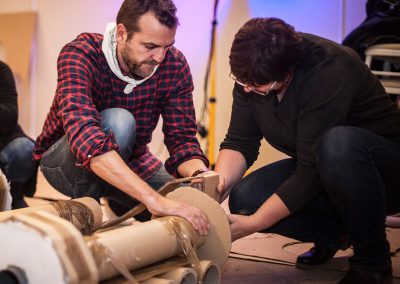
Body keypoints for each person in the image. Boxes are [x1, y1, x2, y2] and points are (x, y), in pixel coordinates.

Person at [215, 17, 400, 283]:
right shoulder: (252, 68)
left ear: (287, 73)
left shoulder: (329, 70)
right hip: (320, 168)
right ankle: (337, 234)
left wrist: (255, 224)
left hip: (382, 170)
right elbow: (239, 142)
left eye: (256, 86)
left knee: (337, 144)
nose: (246, 88)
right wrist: (214, 190)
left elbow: (310, 173)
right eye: (241, 80)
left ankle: (373, 261)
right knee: (246, 198)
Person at [34, 0, 211, 235]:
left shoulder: (174, 65)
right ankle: (88, 208)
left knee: (188, 205)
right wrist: (152, 199)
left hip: (131, 160)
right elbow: (87, 140)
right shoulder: (80, 53)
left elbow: (182, 140)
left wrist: (202, 175)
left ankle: (119, 197)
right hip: (65, 162)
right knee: (120, 122)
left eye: (167, 46)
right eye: (150, 46)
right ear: (121, 34)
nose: (160, 57)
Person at [0, 61, 38, 209]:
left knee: (24, 148)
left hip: (4, 142)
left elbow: (10, 116)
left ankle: (15, 197)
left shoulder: (2, 70)